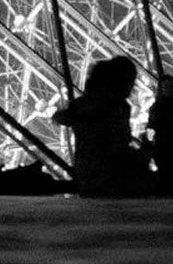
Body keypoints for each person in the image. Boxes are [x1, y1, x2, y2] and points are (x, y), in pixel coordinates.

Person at [55, 56, 154, 197]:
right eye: (130, 81)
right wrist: (145, 152)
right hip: (110, 177)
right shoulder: (116, 108)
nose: (132, 87)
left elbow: (67, 118)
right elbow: (117, 149)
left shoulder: (82, 105)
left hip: (87, 174)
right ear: (120, 81)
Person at [147, 74, 173, 195]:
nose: (168, 89)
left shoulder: (157, 107)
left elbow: (151, 127)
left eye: (170, 86)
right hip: (166, 147)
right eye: (165, 86)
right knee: (172, 174)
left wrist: (149, 143)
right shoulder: (157, 107)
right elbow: (151, 126)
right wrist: (150, 142)